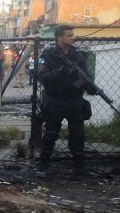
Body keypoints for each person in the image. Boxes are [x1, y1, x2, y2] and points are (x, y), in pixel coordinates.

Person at [37, 25, 93, 180]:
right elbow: (42, 77)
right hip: (56, 99)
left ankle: (79, 168)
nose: (72, 38)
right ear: (59, 37)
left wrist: (86, 85)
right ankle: (43, 165)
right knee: (50, 133)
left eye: (73, 35)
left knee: (78, 133)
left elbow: (86, 76)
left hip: (75, 99)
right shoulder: (48, 55)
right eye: (69, 35)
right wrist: (60, 71)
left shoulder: (77, 55)